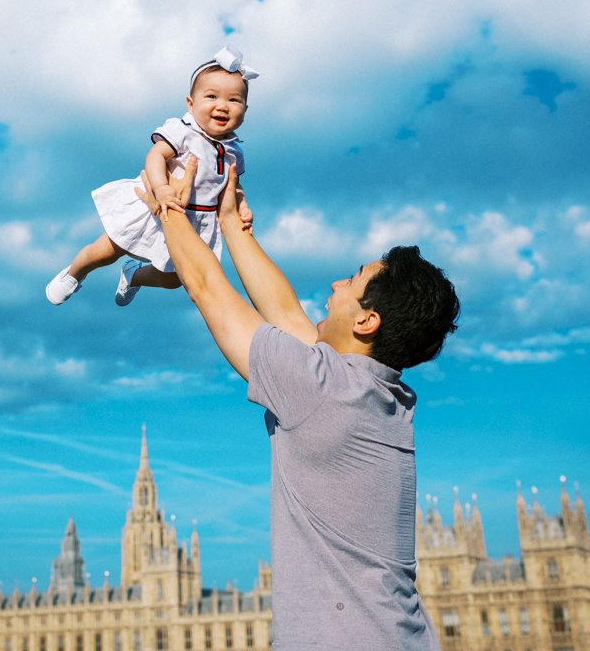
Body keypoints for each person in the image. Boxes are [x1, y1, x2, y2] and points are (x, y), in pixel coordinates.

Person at [134, 161, 459, 649]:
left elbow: (206, 288)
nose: (334, 287)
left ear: (367, 321)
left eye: (350, 281)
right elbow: (285, 313)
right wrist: (231, 226)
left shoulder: (324, 391)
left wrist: (168, 202)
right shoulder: (376, 395)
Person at [45, 46, 257, 307]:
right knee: (106, 251)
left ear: (245, 109)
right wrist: (161, 187)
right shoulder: (183, 131)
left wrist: (242, 206)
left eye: (233, 100)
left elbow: (234, 184)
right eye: (211, 96)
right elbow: (156, 155)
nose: (222, 106)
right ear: (191, 104)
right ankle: (75, 273)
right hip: (158, 205)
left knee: (175, 278)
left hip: (197, 220)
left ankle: (134, 275)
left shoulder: (234, 149)